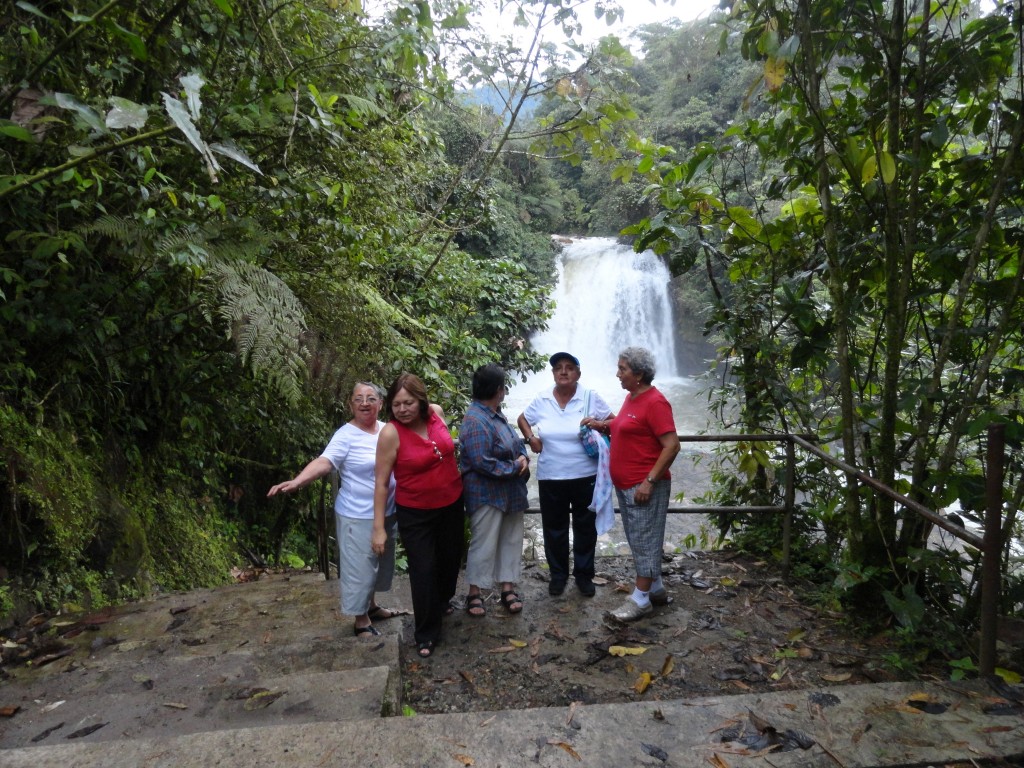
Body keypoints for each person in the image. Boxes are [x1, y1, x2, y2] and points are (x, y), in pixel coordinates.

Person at [267, 381, 398, 637]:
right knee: (359, 566)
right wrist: (297, 481)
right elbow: (325, 462)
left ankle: (370, 607)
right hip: (356, 514)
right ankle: (361, 621)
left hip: (387, 512)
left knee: (378, 563)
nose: (364, 403)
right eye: (358, 398)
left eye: (371, 398)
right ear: (350, 404)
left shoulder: (387, 430)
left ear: (381, 404)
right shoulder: (345, 435)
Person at [582, 347, 680, 622]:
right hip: (627, 484)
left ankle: (640, 600)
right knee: (638, 539)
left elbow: (672, 445)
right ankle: (656, 587)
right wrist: (602, 425)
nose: (617, 374)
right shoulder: (632, 397)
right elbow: (626, 426)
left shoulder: (655, 402)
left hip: (644, 486)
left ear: (638, 374)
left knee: (645, 540)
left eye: (622, 369)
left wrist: (649, 481)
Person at [372, 373, 464, 658]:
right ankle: (425, 633)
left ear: (421, 400)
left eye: (408, 402)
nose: (402, 409)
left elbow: (448, 450)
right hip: (416, 512)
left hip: (451, 503)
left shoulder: (436, 413)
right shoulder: (390, 433)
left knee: (450, 562)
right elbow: (381, 482)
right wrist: (379, 528)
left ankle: (441, 601)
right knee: (423, 570)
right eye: (397, 404)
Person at [517, 352, 613, 597]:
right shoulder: (542, 399)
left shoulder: (590, 398)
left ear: (578, 374)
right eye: (558, 368)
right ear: (553, 373)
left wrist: (599, 424)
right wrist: (531, 439)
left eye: (569, 368)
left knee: (585, 528)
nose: (563, 371)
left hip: (586, 476)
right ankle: (558, 576)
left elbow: (615, 422)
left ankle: (584, 576)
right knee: (554, 528)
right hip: (551, 476)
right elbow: (522, 419)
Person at [460, 363, 530, 617]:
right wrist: (515, 466)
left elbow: (514, 442)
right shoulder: (476, 419)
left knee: (510, 539)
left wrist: (523, 457)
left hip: (509, 493)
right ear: (499, 390)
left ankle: (507, 587)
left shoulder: (495, 414)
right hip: (487, 494)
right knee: (484, 543)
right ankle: (474, 593)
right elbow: (482, 461)